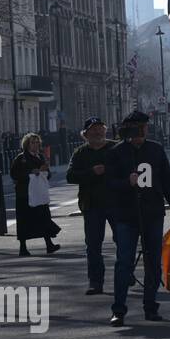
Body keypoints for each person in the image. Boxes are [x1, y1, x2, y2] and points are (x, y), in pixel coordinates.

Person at [106, 110, 170, 326]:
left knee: (153, 262)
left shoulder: (155, 150)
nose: (141, 132)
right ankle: (119, 310)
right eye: (137, 127)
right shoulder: (117, 152)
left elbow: (167, 181)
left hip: (152, 212)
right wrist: (125, 183)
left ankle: (151, 306)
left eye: (144, 127)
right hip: (126, 214)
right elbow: (109, 183)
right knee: (124, 262)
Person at [66, 118, 116, 294]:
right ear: (85, 134)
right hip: (92, 204)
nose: (97, 133)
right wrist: (91, 173)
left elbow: (127, 169)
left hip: (117, 203)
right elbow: (70, 176)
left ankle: (126, 271)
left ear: (105, 130)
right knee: (93, 245)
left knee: (124, 241)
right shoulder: (80, 152)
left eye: (100, 129)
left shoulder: (115, 148)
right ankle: (95, 281)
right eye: (93, 130)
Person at [10, 133, 60, 257]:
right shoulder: (21, 158)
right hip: (25, 194)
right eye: (32, 142)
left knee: (44, 217)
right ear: (27, 144)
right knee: (24, 221)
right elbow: (14, 174)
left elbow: (48, 174)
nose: (35, 145)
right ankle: (23, 248)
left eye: (37, 142)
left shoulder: (40, 157)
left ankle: (49, 244)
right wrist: (30, 173)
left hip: (39, 193)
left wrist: (44, 172)